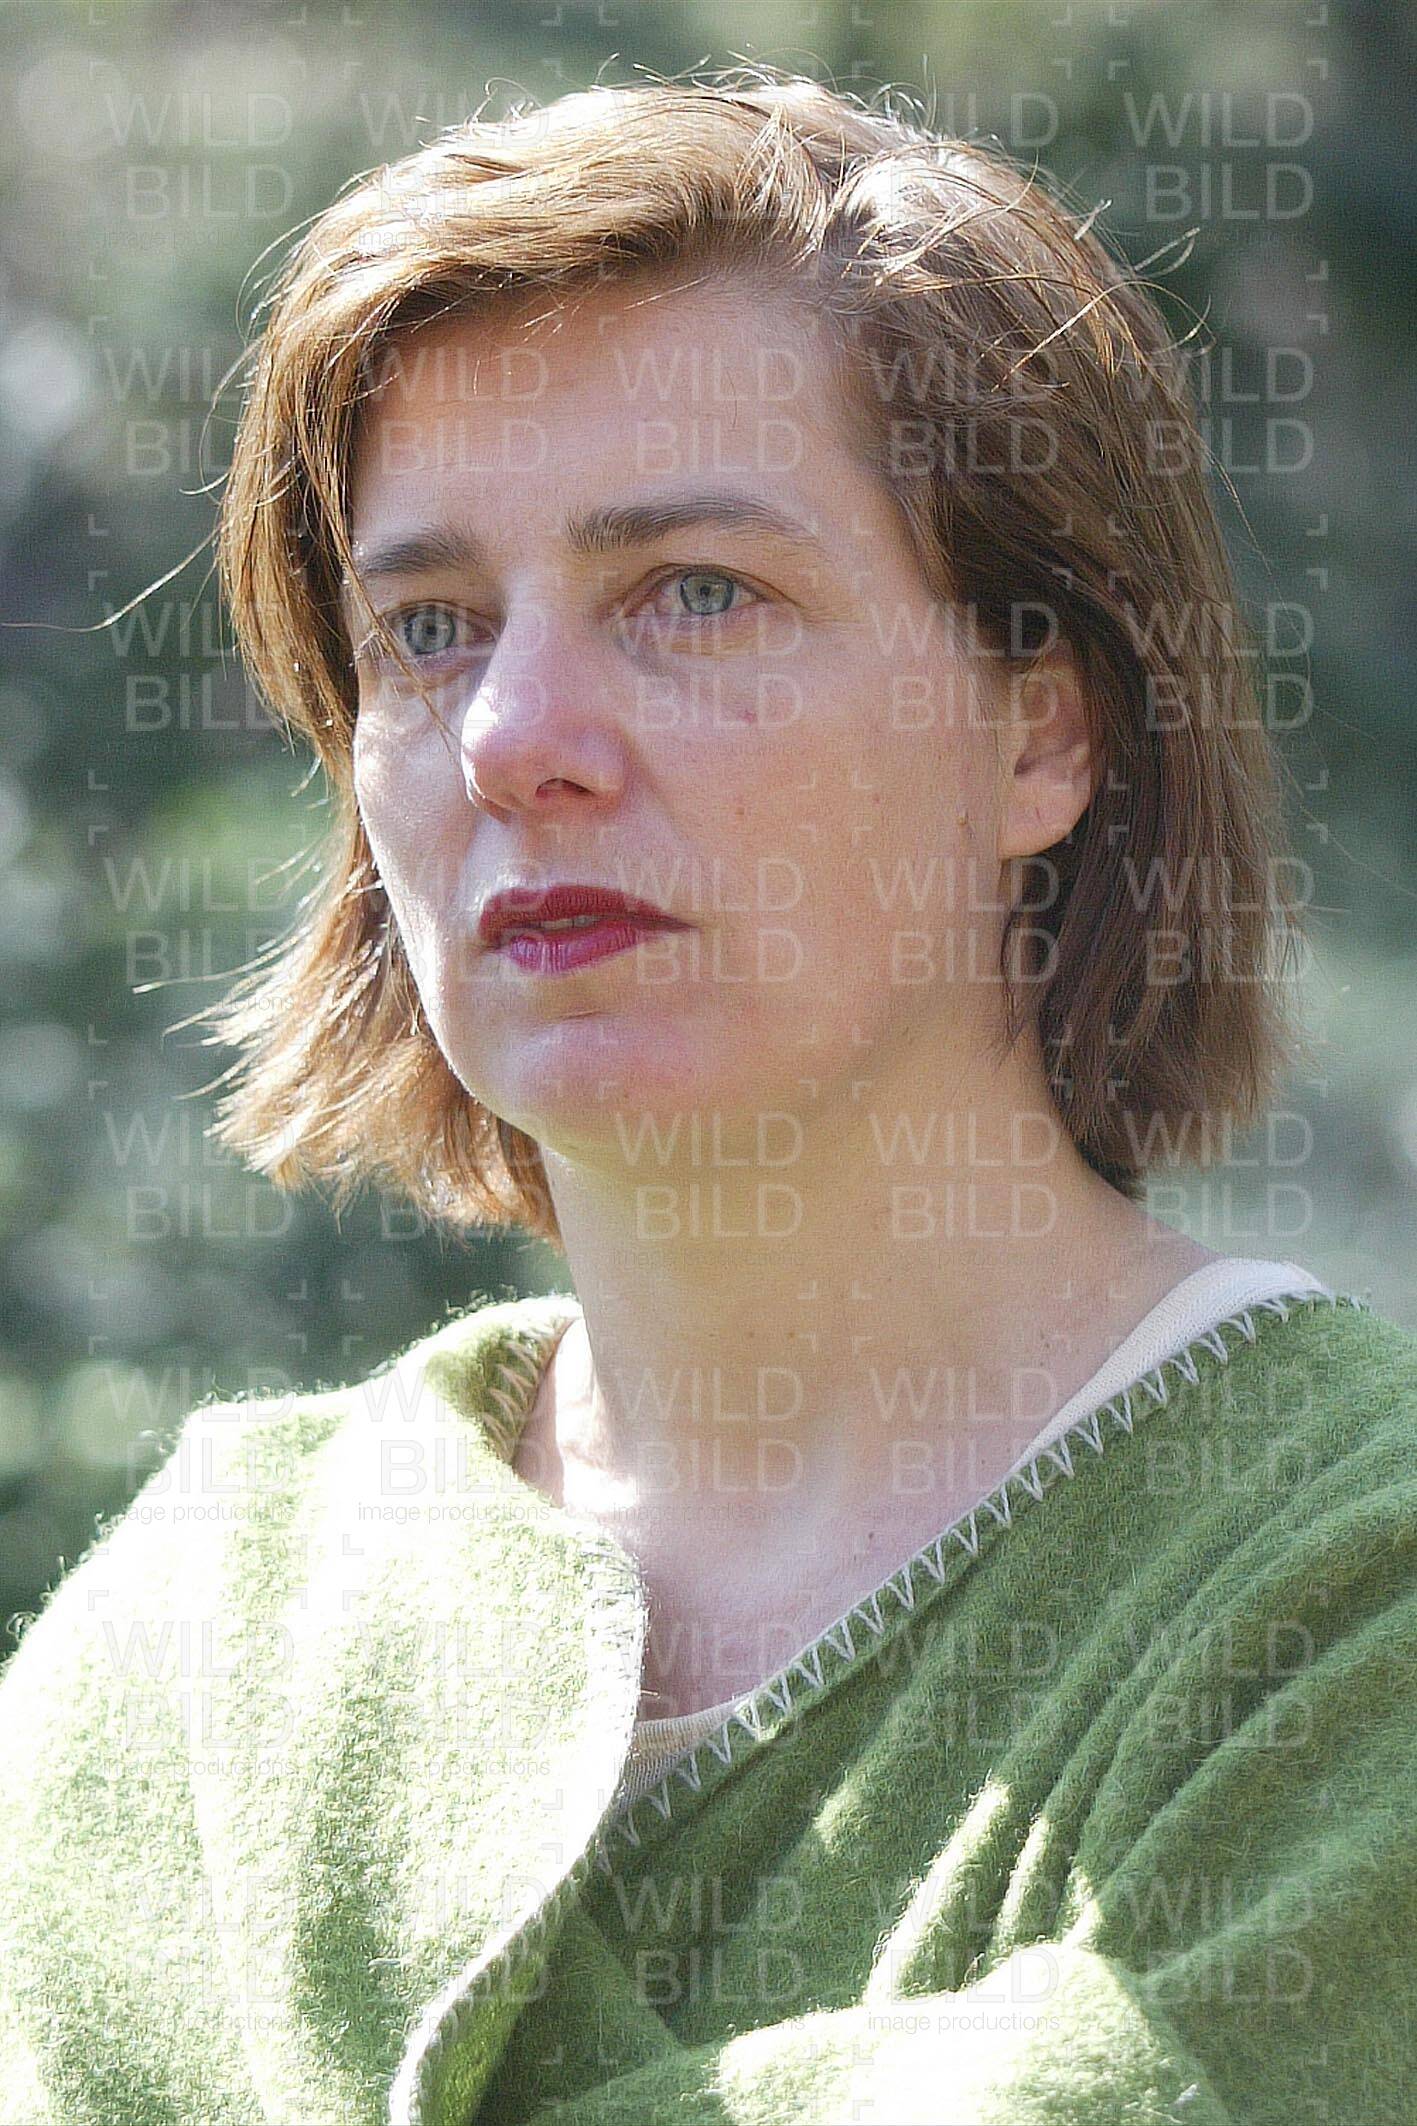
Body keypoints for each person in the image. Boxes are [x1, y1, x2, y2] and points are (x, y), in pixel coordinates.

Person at [2, 69, 1413, 2126]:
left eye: (694, 591)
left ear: (1041, 731)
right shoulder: (211, 1622)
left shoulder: (1354, 1592)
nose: (515, 736)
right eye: (428, 629)